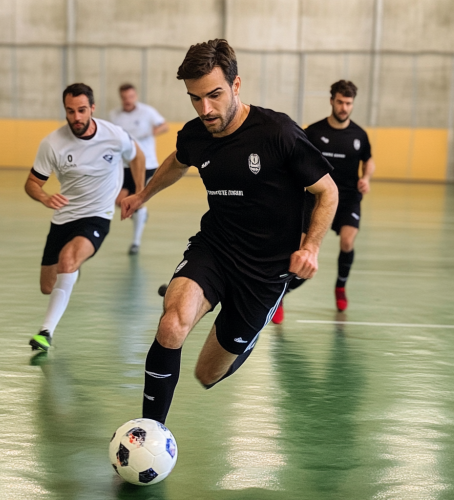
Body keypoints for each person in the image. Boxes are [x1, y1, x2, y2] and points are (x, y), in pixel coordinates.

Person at [121, 39, 338, 424]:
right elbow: (177, 161)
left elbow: (327, 192)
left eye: (214, 95)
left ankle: (246, 336)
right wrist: (142, 194)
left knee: (207, 374)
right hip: (215, 248)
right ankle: (147, 433)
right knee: (172, 325)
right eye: (194, 98)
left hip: (265, 272)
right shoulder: (196, 133)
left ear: (236, 86)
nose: (205, 109)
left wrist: (312, 247)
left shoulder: (278, 133)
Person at [25, 83, 145, 351]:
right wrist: (45, 197)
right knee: (48, 285)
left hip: (97, 215)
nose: (76, 117)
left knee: (67, 262)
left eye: (81, 110)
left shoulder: (114, 135)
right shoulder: (52, 144)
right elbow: (32, 183)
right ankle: (72, 273)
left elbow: (137, 156)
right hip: (63, 217)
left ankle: (45, 332)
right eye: (70, 111)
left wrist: (138, 193)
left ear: (92, 108)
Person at [271, 80, 375, 324]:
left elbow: (368, 160)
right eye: (340, 102)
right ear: (332, 101)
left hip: (348, 197)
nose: (344, 107)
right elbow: (296, 160)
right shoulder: (314, 132)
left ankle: (340, 286)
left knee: (348, 241)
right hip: (316, 197)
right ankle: (281, 295)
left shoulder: (360, 135)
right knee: (301, 250)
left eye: (348, 103)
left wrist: (367, 178)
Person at [109, 83, 169, 255]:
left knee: (137, 197)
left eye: (131, 97)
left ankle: (135, 242)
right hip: (124, 164)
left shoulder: (147, 112)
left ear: (135, 96)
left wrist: (153, 131)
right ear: (121, 98)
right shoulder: (114, 115)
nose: (128, 100)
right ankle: (141, 214)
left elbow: (164, 125)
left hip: (146, 163)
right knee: (119, 200)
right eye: (124, 97)